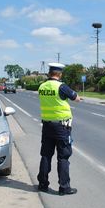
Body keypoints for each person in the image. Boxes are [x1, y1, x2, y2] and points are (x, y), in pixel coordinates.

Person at [37, 63, 81, 196]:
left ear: (49, 73)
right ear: (59, 74)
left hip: (47, 126)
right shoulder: (61, 86)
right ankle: (64, 187)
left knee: (46, 155)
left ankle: (43, 184)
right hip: (62, 127)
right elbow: (76, 98)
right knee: (63, 157)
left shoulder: (42, 86)